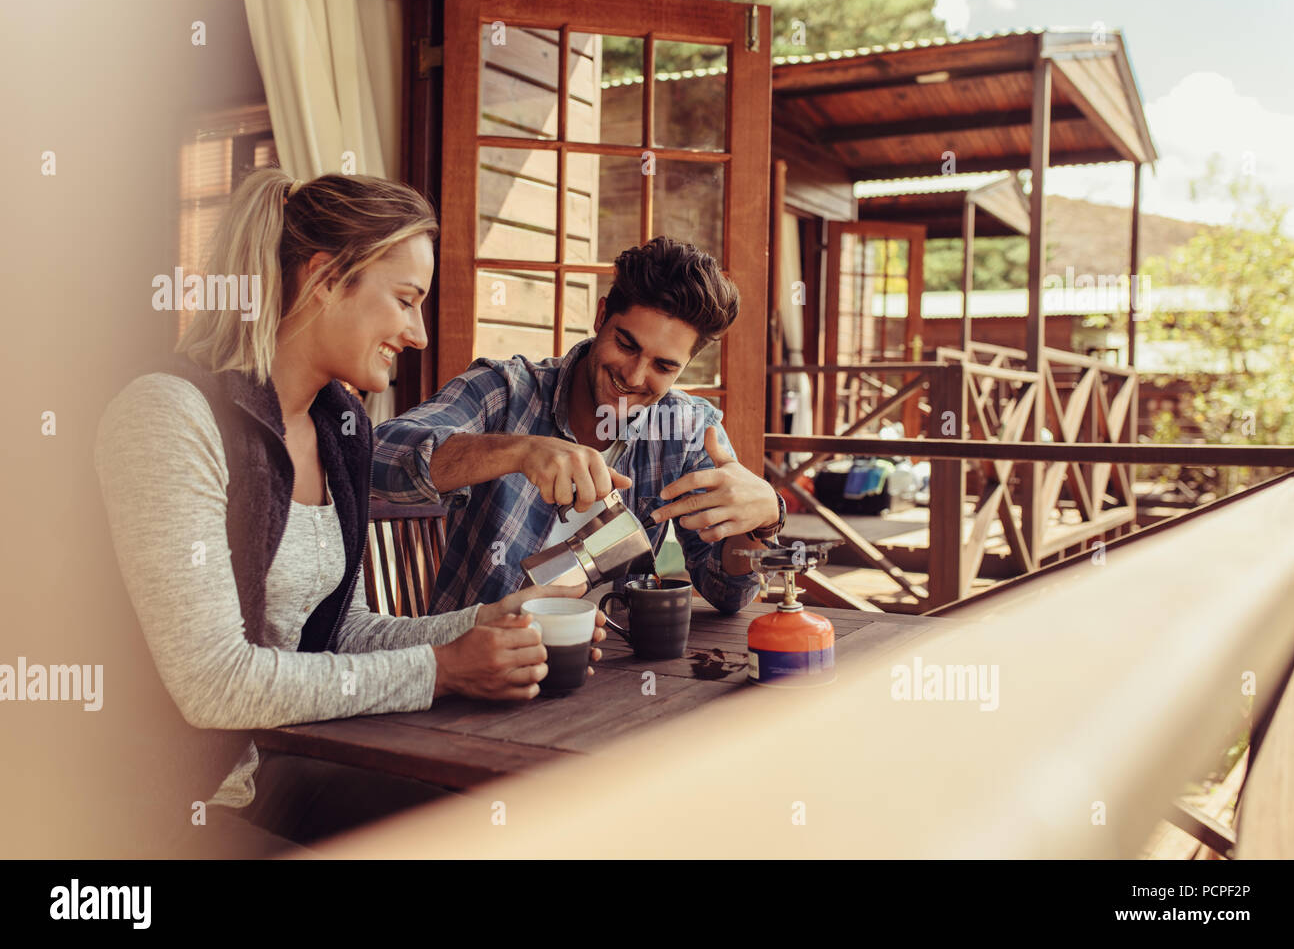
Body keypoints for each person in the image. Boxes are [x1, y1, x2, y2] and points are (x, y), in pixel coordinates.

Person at [94, 169, 602, 858]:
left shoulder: (341, 428)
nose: (418, 333)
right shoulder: (170, 416)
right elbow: (213, 685)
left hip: (259, 773)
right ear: (326, 278)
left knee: (503, 828)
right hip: (137, 809)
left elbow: (345, 630)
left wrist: (485, 624)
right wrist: (444, 669)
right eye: (405, 299)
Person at [372, 236, 787, 615]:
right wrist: (520, 451)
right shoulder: (504, 390)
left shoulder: (687, 429)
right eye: (626, 344)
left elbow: (727, 590)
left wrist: (762, 521)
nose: (635, 376)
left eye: (663, 366)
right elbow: (375, 459)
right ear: (602, 314)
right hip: (482, 662)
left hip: (614, 672)